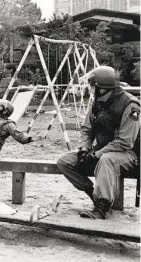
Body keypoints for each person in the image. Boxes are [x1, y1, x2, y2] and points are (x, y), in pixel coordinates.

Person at [57, 65, 140, 219]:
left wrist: (96, 154)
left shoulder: (131, 105)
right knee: (65, 161)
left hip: (129, 153)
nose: (90, 90)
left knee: (106, 159)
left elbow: (125, 141)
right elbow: (86, 130)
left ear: (102, 89)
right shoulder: (96, 103)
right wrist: (84, 149)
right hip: (101, 150)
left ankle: (102, 207)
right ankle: (92, 193)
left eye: (93, 86)